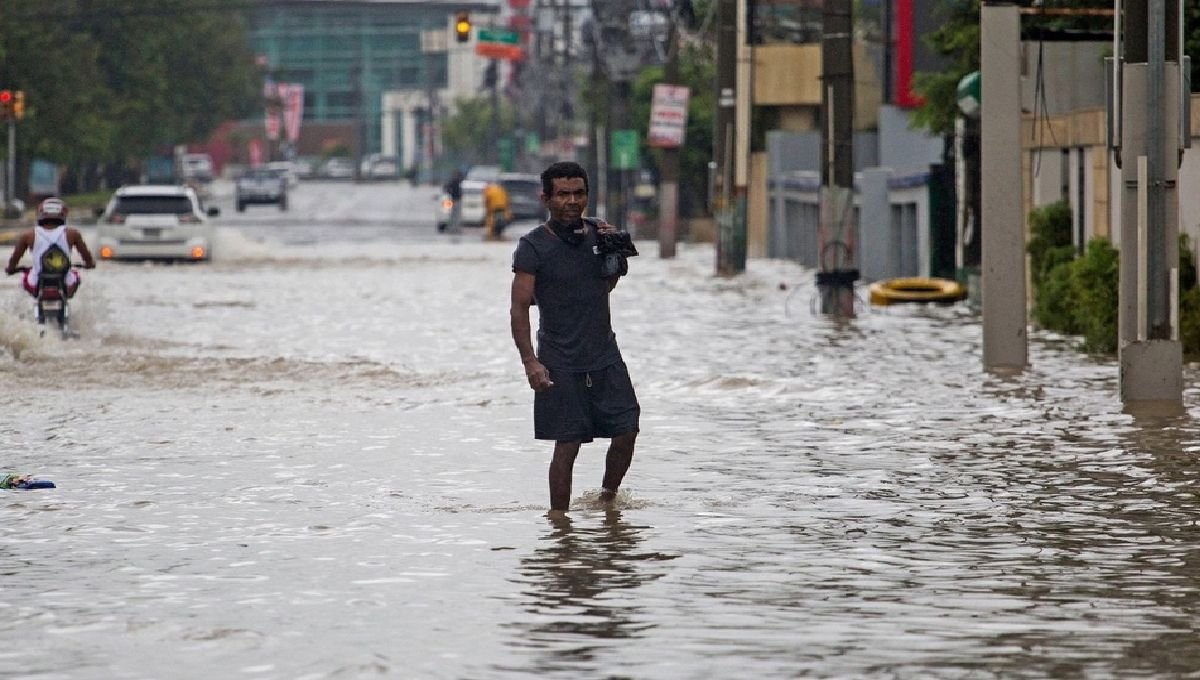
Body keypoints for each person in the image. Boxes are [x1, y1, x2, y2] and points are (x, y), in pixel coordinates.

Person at [509, 161, 640, 512]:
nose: (572, 201)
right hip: (559, 361)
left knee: (627, 430)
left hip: (605, 355)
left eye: (579, 193)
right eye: (563, 194)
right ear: (546, 198)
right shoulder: (532, 247)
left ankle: (607, 500)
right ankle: (560, 526)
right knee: (567, 445)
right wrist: (531, 363)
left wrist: (613, 253)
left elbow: (605, 286)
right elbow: (519, 308)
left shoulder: (601, 235)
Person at [5, 197, 96, 297]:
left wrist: (11, 269)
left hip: (36, 282)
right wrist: (89, 264)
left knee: (25, 278)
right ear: (63, 214)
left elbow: (15, 258)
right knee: (76, 276)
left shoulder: (28, 235)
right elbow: (86, 256)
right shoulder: (72, 234)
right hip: (66, 282)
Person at [443, 170, 464, 234]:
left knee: (453, 214)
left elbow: (445, 188)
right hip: (456, 199)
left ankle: (452, 228)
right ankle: (454, 228)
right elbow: (446, 188)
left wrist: (449, 193)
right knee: (456, 215)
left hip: (453, 199)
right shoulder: (455, 182)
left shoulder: (453, 181)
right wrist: (450, 193)